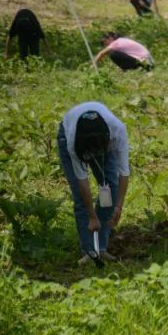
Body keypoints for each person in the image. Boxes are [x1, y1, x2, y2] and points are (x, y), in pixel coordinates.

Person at [57, 102, 131, 265]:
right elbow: (82, 181)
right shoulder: (73, 141)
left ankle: (101, 248)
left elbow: (124, 173)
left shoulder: (117, 131)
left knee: (109, 188)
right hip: (73, 136)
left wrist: (118, 206)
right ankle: (90, 251)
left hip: (101, 138)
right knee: (81, 198)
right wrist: (92, 216)